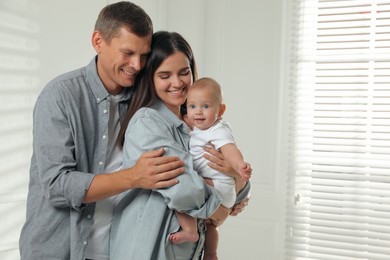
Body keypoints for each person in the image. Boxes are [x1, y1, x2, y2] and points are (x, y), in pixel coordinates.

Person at [19, 2, 187, 260]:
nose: (137, 64)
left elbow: (195, 148)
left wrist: (236, 187)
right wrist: (134, 177)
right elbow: (57, 185)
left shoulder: (146, 99)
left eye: (144, 55)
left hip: (117, 250)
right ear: (98, 41)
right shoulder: (59, 96)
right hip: (59, 251)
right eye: (128, 53)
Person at [110, 31, 251, 260]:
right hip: (149, 247)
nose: (177, 83)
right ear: (150, 78)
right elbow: (182, 185)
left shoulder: (199, 123)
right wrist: (222, 208)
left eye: (184, 72)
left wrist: (236, 178)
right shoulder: (148, 122)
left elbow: (235, 179)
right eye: (165, 75)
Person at [183, 76, 252, 259]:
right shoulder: (202, 126)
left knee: (183, 189)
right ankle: (211, 253)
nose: (198, 112)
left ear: (221, 110)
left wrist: (239, 167)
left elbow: (230, 150)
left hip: (218, 185)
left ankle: (190, 230)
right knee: (210, 225)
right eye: (192, 107)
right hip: (224, 191)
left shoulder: (218, 130)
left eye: (205, 106)